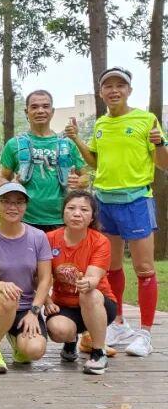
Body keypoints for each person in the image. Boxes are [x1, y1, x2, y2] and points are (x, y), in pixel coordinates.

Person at [66, 67, 168, 356]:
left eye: (119, 85)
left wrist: (160, 142)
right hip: (105, 201)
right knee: (111, 269)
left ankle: (145, 334)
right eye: (108, 86)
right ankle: (119, 323)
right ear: (101, 93)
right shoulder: (100, 124)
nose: (114, 90)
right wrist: (77, 139)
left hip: (136, 201)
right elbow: (97, 163)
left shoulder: (146, 120)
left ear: (129, 90)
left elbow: (164, 163)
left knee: (144, 270)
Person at [0, 182, 52, 374]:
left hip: (26, 306)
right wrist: (0, 285)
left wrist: (34, 312)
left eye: (19, 202)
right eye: (6, 201)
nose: (12, 207)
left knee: (34, 350)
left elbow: (45, 279)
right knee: (8, 297)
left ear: (26, 206)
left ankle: (16, 339)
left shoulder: (38, 237)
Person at [45, 190, 118, 375]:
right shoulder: (49, 239)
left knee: (88, 294)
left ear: (92, 217)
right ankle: (70, 342)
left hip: (99, 304)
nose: (77, 214)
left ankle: (98, 352)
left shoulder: (100, 241)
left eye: (84, 210)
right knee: (58, 330)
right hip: (64, 305)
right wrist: (47, 301)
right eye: (71, 208)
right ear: (63, 213)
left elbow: (94, 276)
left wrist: (89, 282)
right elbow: (41, 277)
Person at [1, 90, 84, 232]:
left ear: (52, 111)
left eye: (45, 106)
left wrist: (79, 182)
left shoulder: (67, 144)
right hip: (24, 219)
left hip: (61, 219)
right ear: (26, 112)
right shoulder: (14, 144)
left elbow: (85, 176)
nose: (40, 111)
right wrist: (11, 185)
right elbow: (2, 178)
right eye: (34, 107)